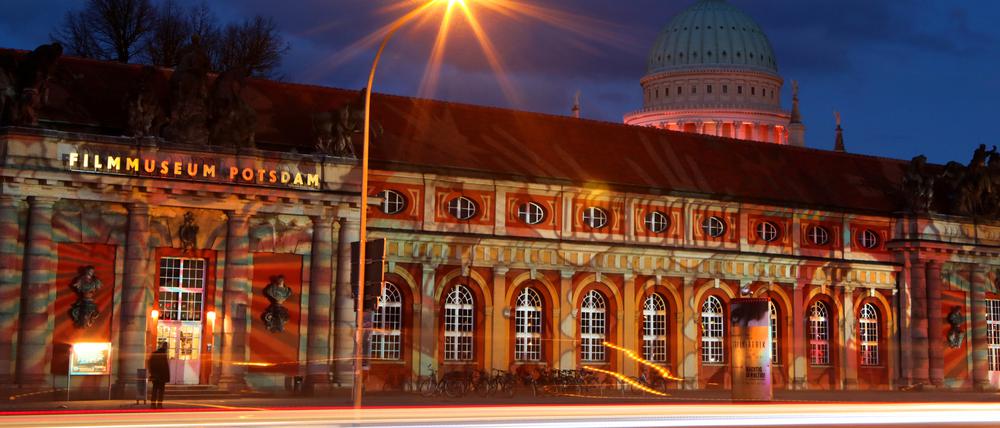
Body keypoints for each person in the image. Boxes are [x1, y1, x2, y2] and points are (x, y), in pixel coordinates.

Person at [148, 342, 170, 409]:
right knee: (161, 391)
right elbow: (165, 367)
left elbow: (150, 364)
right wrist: (167, 377)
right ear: (165, 347)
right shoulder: (163, 355)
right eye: (167, 347)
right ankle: (159, 404)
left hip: (155, 376)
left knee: (154, 390)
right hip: (162, 376)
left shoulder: (154, 353)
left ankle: (153, 404)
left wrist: (152, 373)